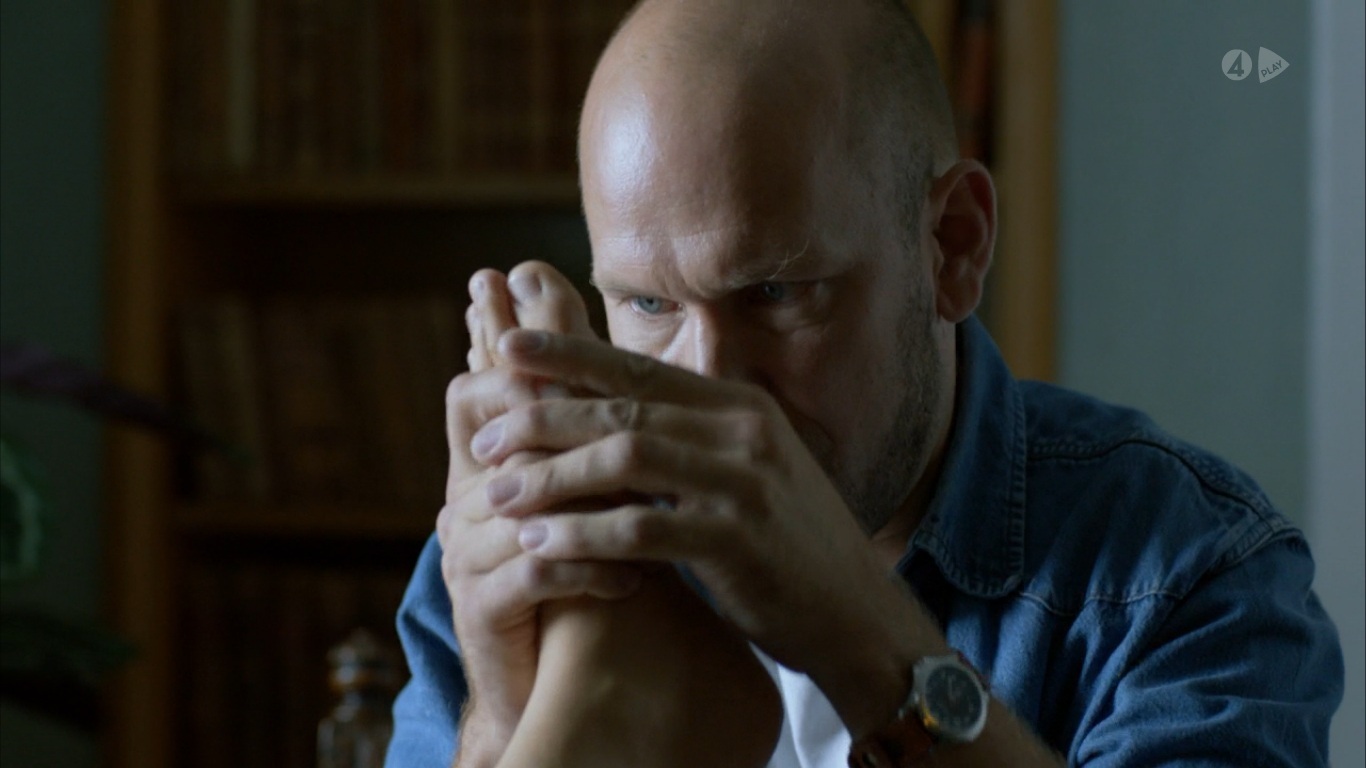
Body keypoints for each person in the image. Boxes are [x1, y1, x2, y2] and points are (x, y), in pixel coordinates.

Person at [386, 0, 1345, 766]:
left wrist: (857, 634)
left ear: (953, 247)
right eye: (647, 304)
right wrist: (507, 712)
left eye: (776, 293)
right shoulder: (524, 559)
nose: (710, 384)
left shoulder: (1189, 574)